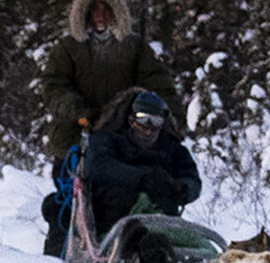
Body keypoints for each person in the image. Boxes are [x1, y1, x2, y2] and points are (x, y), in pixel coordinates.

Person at [41, 0, 185, 253]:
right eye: (94, 9)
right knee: (72, 204)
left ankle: (136, 248)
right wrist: (79, 111)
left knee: (125, 194)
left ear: (117, 13)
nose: (100, 15)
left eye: (106, 9)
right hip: (75, 139)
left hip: (122, 138)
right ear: (83, 14)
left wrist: (172, 119)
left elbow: (158, 84)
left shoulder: (133, 48)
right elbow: (53, 88)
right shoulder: (69, 48)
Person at [84, 87, 202, 224]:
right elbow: (99, 167)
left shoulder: (172, 149)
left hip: (163, 219)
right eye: (143, 119)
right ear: (131, 120)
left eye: (155, 121)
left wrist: (181, 189)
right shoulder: (108, 140)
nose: (148, 129)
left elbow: (192, 179)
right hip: (114, 217)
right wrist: (144, 179)